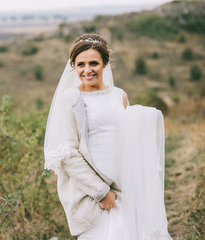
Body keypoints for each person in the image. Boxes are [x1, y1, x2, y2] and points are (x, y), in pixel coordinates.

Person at [44, 33, 172, 239]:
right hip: (93, 193)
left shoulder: (119, 96)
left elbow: (128, 138)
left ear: (105, 63)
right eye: (80, 64)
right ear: (73, 67)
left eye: (93, 63)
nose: (87, 70)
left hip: (126, 187)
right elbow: (68, 154)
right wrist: (101, 192)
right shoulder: (69, 100)